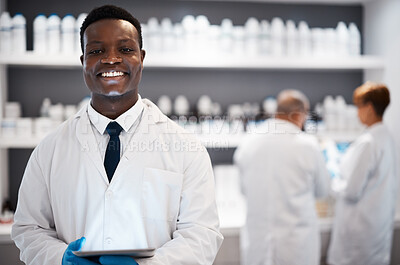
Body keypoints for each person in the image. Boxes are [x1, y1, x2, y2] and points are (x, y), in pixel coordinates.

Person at [11, 5, 223, 265]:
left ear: (141, 58)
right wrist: (60, 259)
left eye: (125, 49)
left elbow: (201, 234)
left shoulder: (186, 148)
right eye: (96, 51)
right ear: (83, 62)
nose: (111, 59)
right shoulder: (50, 149)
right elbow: (28, 230)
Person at [234, 89, 331, 265]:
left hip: (258, 245)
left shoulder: (249, 141)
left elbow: (243, 189)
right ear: (299, 114)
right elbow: (323, 190)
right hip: (296, 246)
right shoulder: (307, 145)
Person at [327, 82, 398, 265]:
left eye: (359, 107)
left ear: (369, 108)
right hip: (376, 225)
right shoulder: (385, 136)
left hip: (360, 234)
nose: (357, 113)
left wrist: (332, 180)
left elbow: (351, 191)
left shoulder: (368, 142)